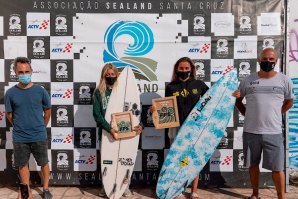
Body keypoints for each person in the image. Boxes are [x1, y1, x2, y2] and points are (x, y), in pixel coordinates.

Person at [233, 48, 294, 199]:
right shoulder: (248, 80)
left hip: (274, 132)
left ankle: (281, 197)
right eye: (265, 59)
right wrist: (248, 115)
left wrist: (276, 113)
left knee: (277, 168)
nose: (268, 62)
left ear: (276, 61)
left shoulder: (285, 80)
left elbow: (289, 102)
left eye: (271, 59)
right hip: (251, 131)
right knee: (253, 165)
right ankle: (255, 194)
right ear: (259, 61)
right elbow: (238, 100)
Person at [153, 57, 209, 199]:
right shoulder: (171, 86)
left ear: (191, 69)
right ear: (176, 70)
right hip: (175, 127)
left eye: (186, 68)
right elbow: (165, 108)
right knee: (176, 159)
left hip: (195, 127)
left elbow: (212, 102)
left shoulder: (199, 84)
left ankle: (194, 191)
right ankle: (176, 190)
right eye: (181, 68)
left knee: (194, 159)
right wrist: (154, 110)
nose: (184, 71)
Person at [93, 63, 143, 197]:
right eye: (107, 75)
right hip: (106, 133)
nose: (110, 77)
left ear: (117, 75)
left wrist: (140, 125)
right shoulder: (99, 92)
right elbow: (97, 115)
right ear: (103, 76)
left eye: (113, 74)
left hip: (125, 133)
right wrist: (109, 129)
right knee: (107, 159)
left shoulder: (124, 92)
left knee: (124, 159)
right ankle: (106, 186)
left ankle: (124, 186)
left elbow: (137, 112)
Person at [4, 57, 52, 199]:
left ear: (31, 71)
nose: (24, 74)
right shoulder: (10, 93)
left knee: (44, 163)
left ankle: (46, 188)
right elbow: (9, 115)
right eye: (20, 72)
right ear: (15, 73)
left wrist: (41, 126)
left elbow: (48, 111)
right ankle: (26, 192)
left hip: (39, 134)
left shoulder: (40, 91)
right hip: (20, 137)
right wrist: (20, 126)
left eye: (26, 71)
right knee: (22, 165)